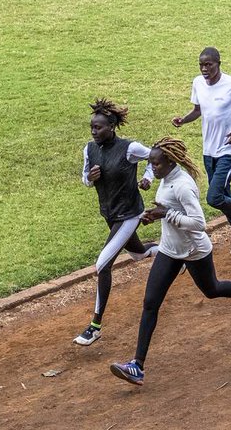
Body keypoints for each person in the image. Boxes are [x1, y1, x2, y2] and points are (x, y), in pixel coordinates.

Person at [109, 138, 231, 386]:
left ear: (171, 161)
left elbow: (199, 223)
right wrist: (155, 216)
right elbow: (168, 211)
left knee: (212, 290)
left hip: (194, 250)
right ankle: (137, 366)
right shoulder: (166, 180)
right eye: (151, 163)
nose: (154, 168)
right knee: (150, 303)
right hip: (169, 250)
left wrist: (167, 214)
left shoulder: (183, 185)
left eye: (157, 164)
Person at [73, 98, 158, 346]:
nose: (93, 131)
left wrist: (148, 178)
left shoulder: (129, 148)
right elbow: (85, 180)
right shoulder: (89, 149)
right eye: (91, 127)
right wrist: (90, 177)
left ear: (111, 127)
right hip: (110, 214)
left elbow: (155, 155)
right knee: (139, 254)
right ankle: (171, 253)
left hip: (129, 214)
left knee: (102, 265)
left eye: (98, 127)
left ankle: (95, 326)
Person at [171, 47, 231, 255]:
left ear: (218, 64)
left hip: (229, 151)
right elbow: (198, 110)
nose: (204, 69)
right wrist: (183, 120)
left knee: (214, 197)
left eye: (208, 64)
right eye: (201, 65)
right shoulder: (198, 83)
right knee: (223, 195)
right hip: (208, 151)